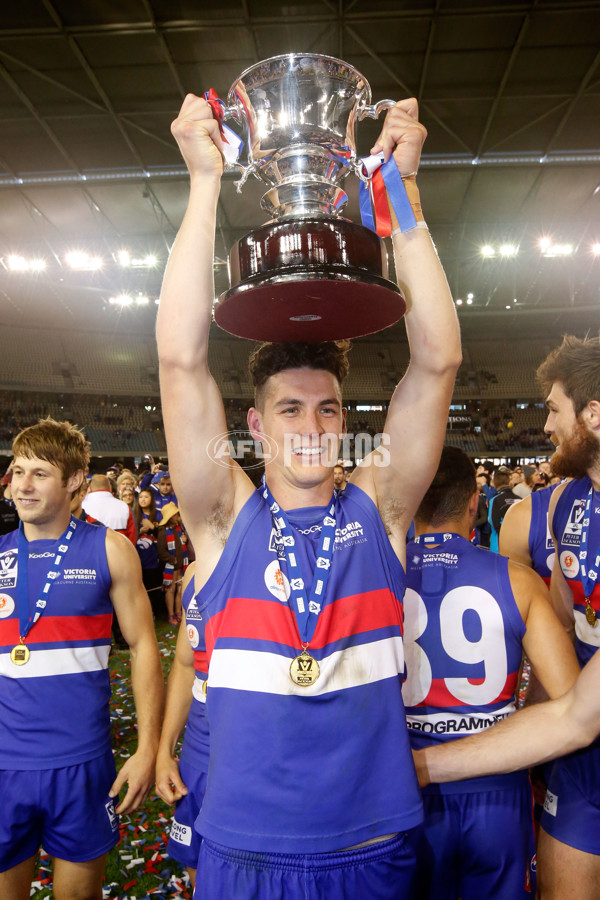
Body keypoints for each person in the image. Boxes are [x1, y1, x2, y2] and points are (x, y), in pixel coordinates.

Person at [156, 92, 461, 899]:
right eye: (290, 409)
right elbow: (181, 364)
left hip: (371, 843)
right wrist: (203, 184)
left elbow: (437, 363)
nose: (311, 427)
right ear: (255, 425)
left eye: (328, 408)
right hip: (243, 849)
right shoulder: (221, 520)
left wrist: (406, 199)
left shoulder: (381, 506)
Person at [403, 446, 579, 899]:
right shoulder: (518, 579)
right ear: (473, 503)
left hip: (404, 787)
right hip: (497, 791)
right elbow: (570, 698)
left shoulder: (375, 579)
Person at [0, 418, 164, 900]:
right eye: (17, 471)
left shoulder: (109, 549)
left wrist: (148, 748)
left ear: (74, 481)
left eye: (39, 474)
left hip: (81, 764)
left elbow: (143, 648)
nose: (21, 485)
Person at [156, 562, 209, 889]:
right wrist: (165, 751)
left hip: (262, 761)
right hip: (200, 754)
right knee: (199, 869)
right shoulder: (194, 572)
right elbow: (186, 664)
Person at [134, 488, 164, 619]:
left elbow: (164, 535)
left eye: (146, 497)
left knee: (154, 586)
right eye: (140, 497)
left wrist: (153, 528)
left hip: (154, 557)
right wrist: (139, 531)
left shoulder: (158, 514)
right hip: (138, 557)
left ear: (152, 499)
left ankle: (157, 612)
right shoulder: (134, 515)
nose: (143, 500)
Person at [157, 502, 188, 625]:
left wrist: (185, 540)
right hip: (171, 566)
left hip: (181, 565)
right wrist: (172, 560)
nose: (177, 517)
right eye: (175, 515)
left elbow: (184, 544)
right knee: (171, 589)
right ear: (169, 518)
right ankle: (171, 614)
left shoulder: (180, 529)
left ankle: (178, 611)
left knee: (180, 588)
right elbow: (161, 551)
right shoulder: (164, 532)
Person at [83, 473, 137, 545]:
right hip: (119, 552)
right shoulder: (124, 506)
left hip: (90, 552)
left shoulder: (81, 505)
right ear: (110, 487)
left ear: (90, 487)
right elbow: (132, 537)